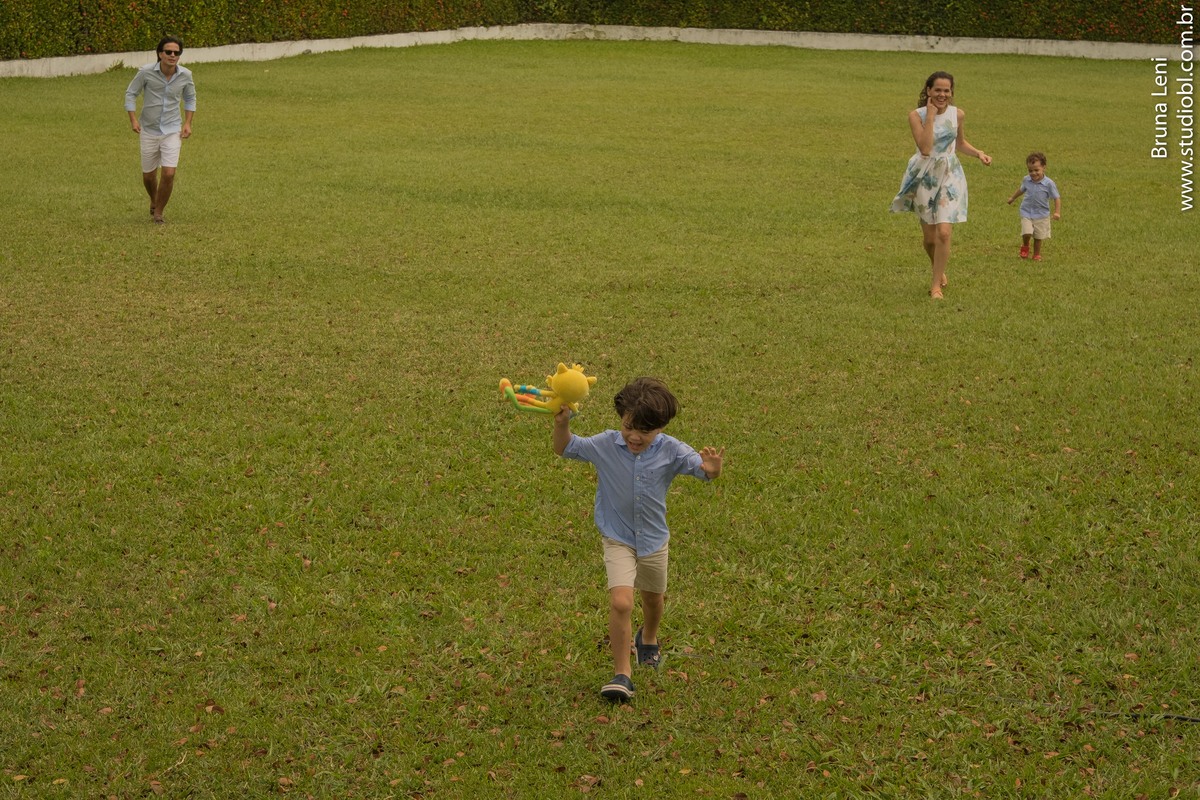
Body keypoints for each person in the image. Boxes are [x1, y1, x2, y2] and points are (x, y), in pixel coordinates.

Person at [553, 377, 724, 702]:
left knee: (653, 600)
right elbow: (566, 448)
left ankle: (649, 637)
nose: (634, 436)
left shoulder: (672, 450)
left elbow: (702, 471)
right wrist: (562, 425)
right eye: (629, 426)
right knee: (621, 601)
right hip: (617, 537)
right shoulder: (605, 444)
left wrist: (713, 469)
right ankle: (622, 674)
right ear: (622, 418)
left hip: (654, 541)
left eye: (644, 432)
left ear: (660, 428)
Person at [890, 71, 992, 299]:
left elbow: (960, 143)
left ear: (951, 92)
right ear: (928, 90)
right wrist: (932, 117)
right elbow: (925, 148)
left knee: (944, 233)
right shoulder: (916, 116)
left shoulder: (958, 115)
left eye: (947, 90)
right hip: (925, 175)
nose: (942, 94)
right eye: (937, 90)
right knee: (929, 239)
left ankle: (936, 285)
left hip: (949, 174)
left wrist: (978, 154)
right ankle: (938, 268)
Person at [124, 36, 196, 224]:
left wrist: (188, 123)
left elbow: (190, 99)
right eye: (168, 52)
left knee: (169, 173)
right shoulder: (146, 72)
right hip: (148, 129)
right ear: (160, 54)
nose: (172, 55)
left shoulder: (186, 75)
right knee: (148, 176)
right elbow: (131, 93)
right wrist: (133, 119)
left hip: (172, 130)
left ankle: (159, 212)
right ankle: (153, 199)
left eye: (176, 52)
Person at [1006, 152, 1062, 261]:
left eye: (1036, 170)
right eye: (1030, 170)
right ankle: (1025, 245)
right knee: (1027, 232)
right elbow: (1021, 189)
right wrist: (1012, 198)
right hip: (1026, 211)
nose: (1033, 173)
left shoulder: (1049, 183)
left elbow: (1056, 198)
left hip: (1041, 214)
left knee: (1038, 236)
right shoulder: (1026, 180)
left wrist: (1057, 212)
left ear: (1044, 168)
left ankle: (1036, 254)